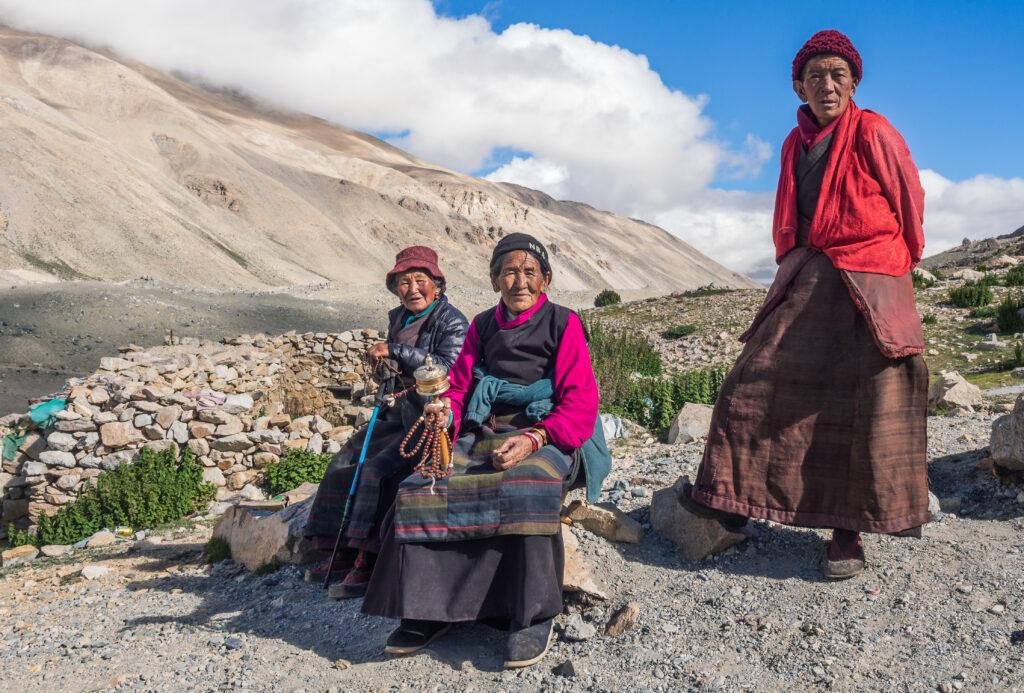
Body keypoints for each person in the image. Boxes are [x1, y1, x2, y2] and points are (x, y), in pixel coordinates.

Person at [687, 30, 930, 579]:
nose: (827, 84)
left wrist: (897, 263)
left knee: (862, 405)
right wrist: (794, 261)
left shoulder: (874, 130)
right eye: (816, 75)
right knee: (754, 376)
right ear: (798, 84)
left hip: (873, 275)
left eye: (838, 75)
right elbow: (788, 211)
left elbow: (908, 199)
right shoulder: (794, 143)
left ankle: (847, 534)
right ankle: (727, 496)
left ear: (853, 84)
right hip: (815, 268)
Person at [361, 232, 610, 668]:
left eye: (530, 272)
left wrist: (536, 438)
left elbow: (580, 400)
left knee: (527, 484)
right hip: (483, 429)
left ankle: (533, 614)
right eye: (509, 272)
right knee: (423, 485)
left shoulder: (563, 323)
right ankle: (427, 608)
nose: (520, 282)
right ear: (495, 280)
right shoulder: (481, 325)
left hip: (549, 433)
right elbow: (458, 388)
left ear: (545, 279)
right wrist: (445, 413)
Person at [303, 245, 468, 598]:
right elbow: (397, 371)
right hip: (397, 408)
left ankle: (369, 557)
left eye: (419, 280)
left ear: (437, 284)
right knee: (345, 460)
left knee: (377, 470)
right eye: (403, 282)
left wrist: (394, 352)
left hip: (428, 413)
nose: (411, 289)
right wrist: (384, 372)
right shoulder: (399, 318)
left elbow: (446, 367)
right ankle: (338, 549)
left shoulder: (452, 320)